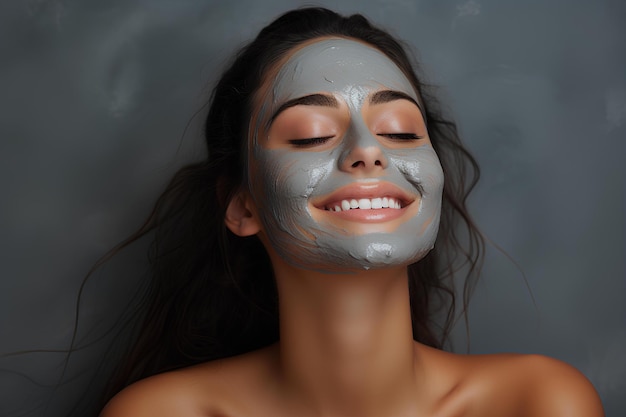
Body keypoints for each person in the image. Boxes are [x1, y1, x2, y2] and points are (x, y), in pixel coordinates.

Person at [99, 7, 604, 417]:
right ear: (242, 205)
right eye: (311, 134)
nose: (369, 151)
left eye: (401, 130)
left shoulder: (538, 403)